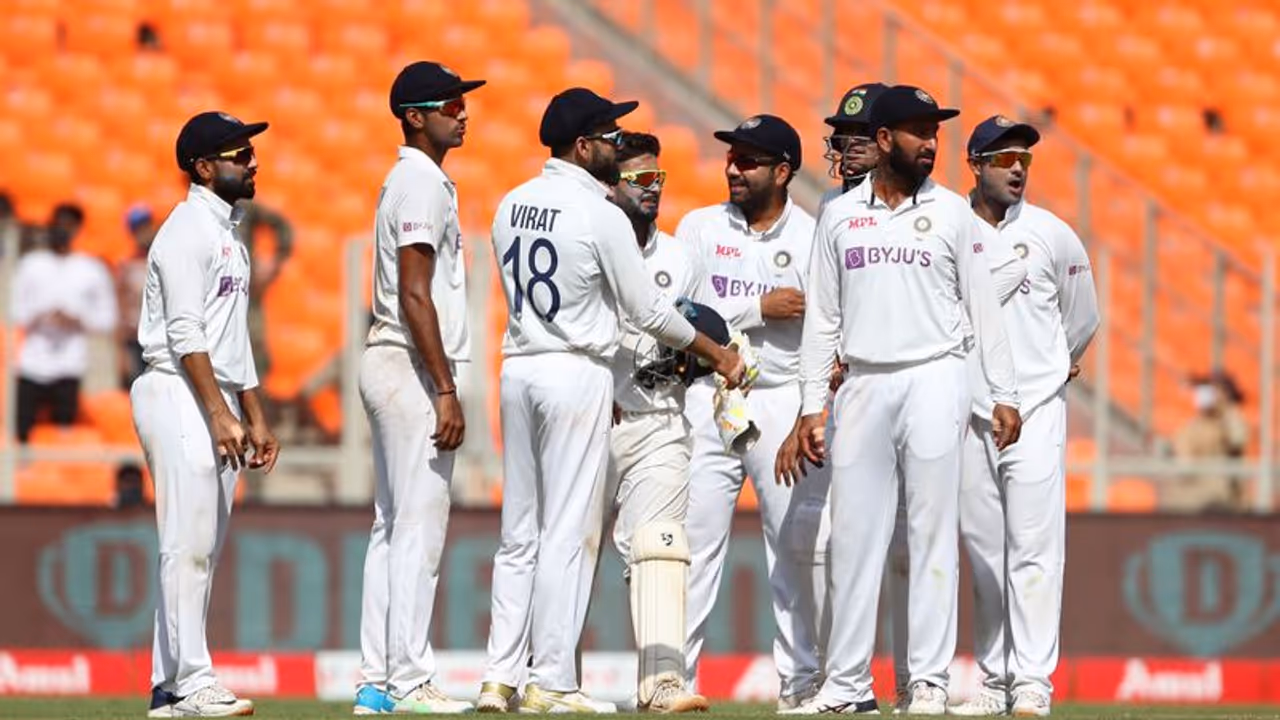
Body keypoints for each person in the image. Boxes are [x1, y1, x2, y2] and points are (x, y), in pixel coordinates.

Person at [478, 88, 745, 714]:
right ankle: (553, 682)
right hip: (579, 371)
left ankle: (499, 679)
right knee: (568, 532)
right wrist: (720, 353)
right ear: (583, 146)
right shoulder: (597, 211)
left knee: (520, 534)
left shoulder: (510, 202)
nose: (614, 144)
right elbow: (649, 310)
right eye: (607, 137)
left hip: (519, 365)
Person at [786, 85, 1022, 716]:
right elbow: (823, 321)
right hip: (862, 382)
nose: (931, 143)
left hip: (934, 376)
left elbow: (984, 310)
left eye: (936, 132)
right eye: (918, 131)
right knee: (854, 538)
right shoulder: (838, 214)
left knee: (929, 534)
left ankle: (928, 682)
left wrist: (1004, 393)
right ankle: (845, 686)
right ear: (885, 139)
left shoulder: (951, 213)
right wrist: (812, 405)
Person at [675, 114, 830, 709]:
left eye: (749, 161)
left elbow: (827, 326)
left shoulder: (814, 236)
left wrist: (810, 410)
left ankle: (802, 681)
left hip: (781, 397)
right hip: (710, 392)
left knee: (791, 544)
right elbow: (681, 312)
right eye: (732, 159)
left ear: (783, 171)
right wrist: (755, 309)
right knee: (693, 544)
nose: (734, 170)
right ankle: (673, 680)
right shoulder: (699, 227)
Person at [949, 115, 1100, 718]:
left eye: (1025, 160)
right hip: (966, 409)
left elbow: (1081, 318)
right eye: (1005, 159)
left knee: (1036, 547)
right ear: (976, 164)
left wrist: (1053, 368)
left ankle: (1033, 679)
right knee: (984, 549)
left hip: (1036, 408)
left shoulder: (1052, 234)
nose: (1017, 169)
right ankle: (994, 678)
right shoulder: (946, 226)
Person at [132, 110, 280, 717]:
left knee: (203, 547)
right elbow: (186, 331)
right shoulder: (187, 230)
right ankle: (194, 681)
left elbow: (232, 338)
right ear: (203, 167)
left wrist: (256, 412)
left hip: (209, 392)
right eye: (239, 155)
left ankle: (168, 686)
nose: (252, 162)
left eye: (249, 153)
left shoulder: (227, 233)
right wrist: (220, 414)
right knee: (185, 542)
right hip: (175, 388)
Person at [353, 61, 484, 716]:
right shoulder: (422, 182)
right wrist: (445, 387)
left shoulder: (410, 179)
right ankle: (409, 680)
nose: (463, 112)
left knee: (390, 526)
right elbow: (414, 293)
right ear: (415, 116)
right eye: (451, 104)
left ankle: (376, 681)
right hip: (410, 364)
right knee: (419, 529)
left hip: (389, 357)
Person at [597, 131, 710, 713]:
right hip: (592, 419)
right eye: (639, 180)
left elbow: (695, 335)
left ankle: (662, 682)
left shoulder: (679, 258)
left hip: (662, 419)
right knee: (567, 548)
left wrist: (689, 366)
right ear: (610, 187)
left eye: (657, 179)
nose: (651, 190)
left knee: (658, 545)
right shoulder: (588, 243)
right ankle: (545, 679)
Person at [10, 202, 117, 442]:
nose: (62, 230)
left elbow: (107, 319)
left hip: (69, 363)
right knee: (22, 431)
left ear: (78, 229)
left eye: (69, 225)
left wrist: (78, 319)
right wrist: (40, 314)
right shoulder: (30, 264)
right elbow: (15, 311)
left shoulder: (92, 268)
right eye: (58, 224)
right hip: (32, 362)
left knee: (64, 433)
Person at [1170, 370, 1250, 512]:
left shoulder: (1230, 420)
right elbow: (1183, 461)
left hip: (1225, 501)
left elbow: (1237, 440)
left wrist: (1226, 407)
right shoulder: (1191, 427)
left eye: (1213, 390)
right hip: (1192, 502)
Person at [817, 82, 889, 217]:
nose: (852, 140)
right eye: (847, 130)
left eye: (864, 131)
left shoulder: (915, 201)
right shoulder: (830, 201)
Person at [118, 204, 157, 389]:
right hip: (137, 339)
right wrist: (122, 351)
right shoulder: (127, 266)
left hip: (162, 335)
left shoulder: (165, 258)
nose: (143, 233)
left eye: (145, 226)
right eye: (137, 229)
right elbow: (121, 307)